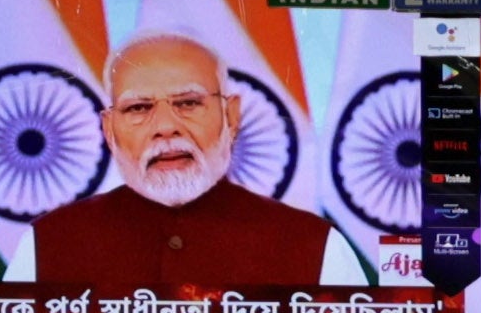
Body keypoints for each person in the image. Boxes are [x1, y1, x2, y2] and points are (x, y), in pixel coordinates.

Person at [27, 33, 328, 287]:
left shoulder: (315, 246)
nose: (165, 127)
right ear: (108, 129)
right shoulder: (47, 244)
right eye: (139, 108)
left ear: (231, 116)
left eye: (188, 103)